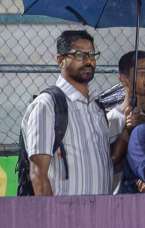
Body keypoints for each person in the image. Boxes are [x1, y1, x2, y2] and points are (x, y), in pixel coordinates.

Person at [21, 30, 117, 196]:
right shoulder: (48, 105)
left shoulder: (97, 108)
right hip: (65, 218)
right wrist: (54, 219)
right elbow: (38, 175)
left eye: (92, 54)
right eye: (80, 54)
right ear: (61, 60)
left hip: (102, 216)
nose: (89, 61)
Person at [107, 49, 145, 194]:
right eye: (142, 73)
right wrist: (128, 130)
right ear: (123, 79)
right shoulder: (112, 119)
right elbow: (109, 163)